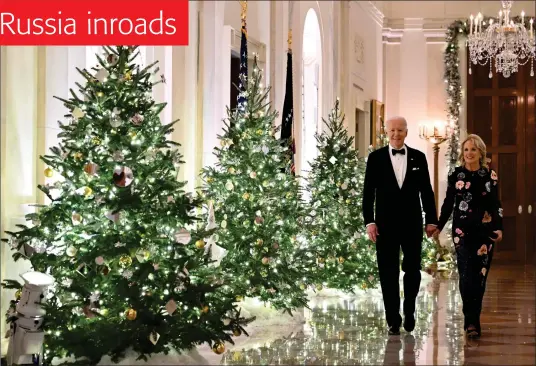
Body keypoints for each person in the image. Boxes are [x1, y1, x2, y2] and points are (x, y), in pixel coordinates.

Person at [363, 116, 437, 336]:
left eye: (400, 130)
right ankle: (393, 319)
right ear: (387, 132)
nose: (396, 134)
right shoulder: (375, 158)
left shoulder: (418, 157)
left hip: (412, 224)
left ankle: (410, 308)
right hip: (384, 225)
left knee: (412, 270)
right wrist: (369, 221)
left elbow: (426, 191)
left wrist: (431, 220)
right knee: (388, 272)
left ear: (407, 132)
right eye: (392, 130)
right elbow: (368, 194)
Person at [433, 134, 503, 338]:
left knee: (479, 277)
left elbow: (495, 204)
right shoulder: (456, 175)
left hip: (485, 233)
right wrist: (438, 225)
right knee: (466, 276)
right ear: (462, 153)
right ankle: (469, 321)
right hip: (462, 233)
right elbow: (448, 203)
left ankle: (475, 319)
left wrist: (499, 228)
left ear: (480, 152)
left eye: (473, 149)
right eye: (466, 150)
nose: (469, 153)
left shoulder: (490, 175)